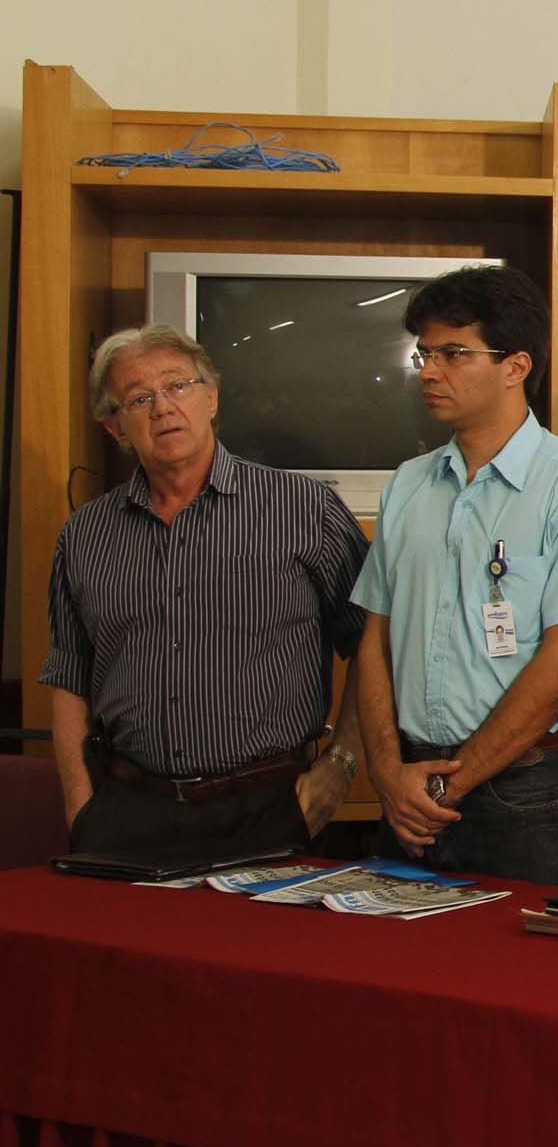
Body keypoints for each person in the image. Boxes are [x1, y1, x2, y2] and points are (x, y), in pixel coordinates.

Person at [353, 265, 558, 884]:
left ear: (516, 366)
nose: (428, 371)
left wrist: (451, 779)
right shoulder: (409, 484)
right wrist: (386, 772)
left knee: (521, 977)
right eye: (425, 353)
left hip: (526, 791)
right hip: (408, 789)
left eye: (453, 353)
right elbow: (374, 642)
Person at [43, 326, 369, 860]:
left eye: (179, 386)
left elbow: (373, 644)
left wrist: (342, 766)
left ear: (212, 398)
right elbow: (68, 675)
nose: (163, 408)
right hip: (126, 810)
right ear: (114, 426)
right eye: (139, 398)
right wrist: (82, 807)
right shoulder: (84, 535)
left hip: (271, 805)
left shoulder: (303, 509)